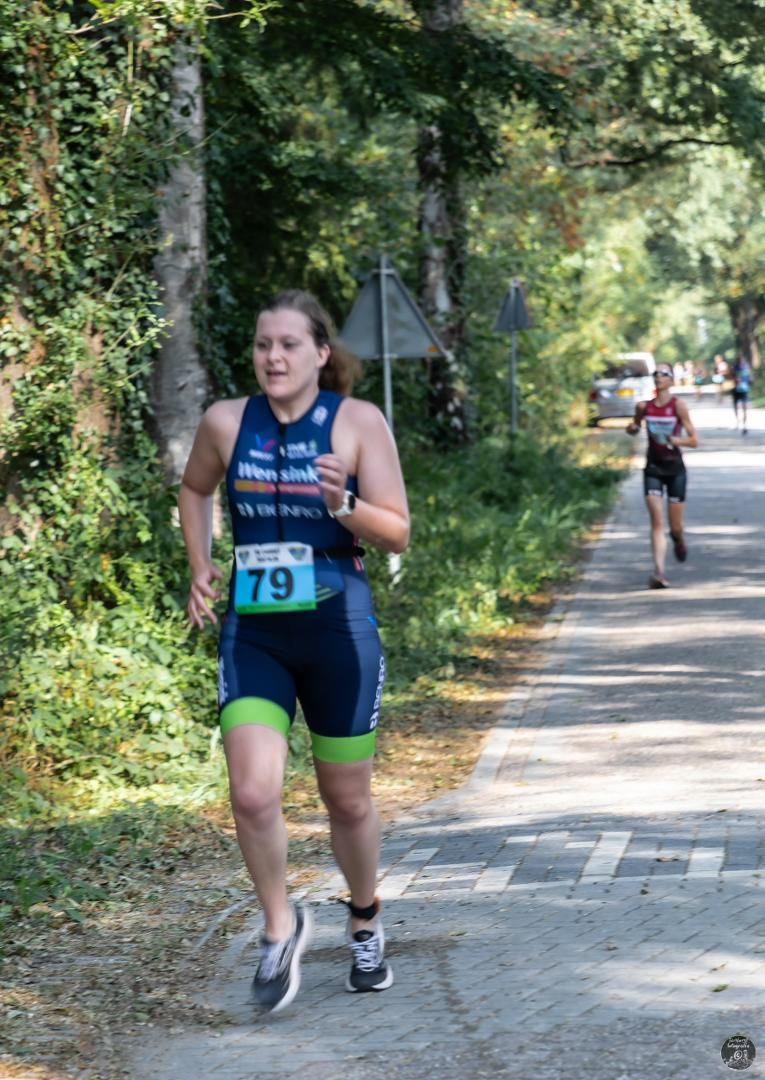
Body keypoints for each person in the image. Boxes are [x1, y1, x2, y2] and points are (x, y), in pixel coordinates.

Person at [178, 289, 410, 1013]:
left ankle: (365, 919)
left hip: (339, 632)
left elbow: (397, 530)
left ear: (320, 354)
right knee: (250, 791)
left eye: (286, 345)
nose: (271, 357)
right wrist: (200, 563)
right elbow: (193, 490)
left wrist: (344, 506)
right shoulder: (225, 422)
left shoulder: (357, 424)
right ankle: (280, 927)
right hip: (257, 633)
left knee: (346, 799)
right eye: (261, 345)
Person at [626, 364, 699, 589]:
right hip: (653, 469)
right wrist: (632, 428)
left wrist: (675, 440)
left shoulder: (678, 406)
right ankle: (659, 571)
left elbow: (694, 440)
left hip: (675, 469)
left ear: (671, 380)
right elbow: (635, 426)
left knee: (675, 526)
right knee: (657, 520)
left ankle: (678, 539)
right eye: (655, 374)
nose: (658, 377)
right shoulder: (644, 406)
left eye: (663, 374)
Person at [731, 355, 752, 434]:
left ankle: (744, 424)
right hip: (737, 390)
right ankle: (739, 422)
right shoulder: (735, 367)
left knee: (743, 406)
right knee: (737, 406)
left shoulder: (746, 367)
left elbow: (750, 378)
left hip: (743, 390)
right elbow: (732, 377)